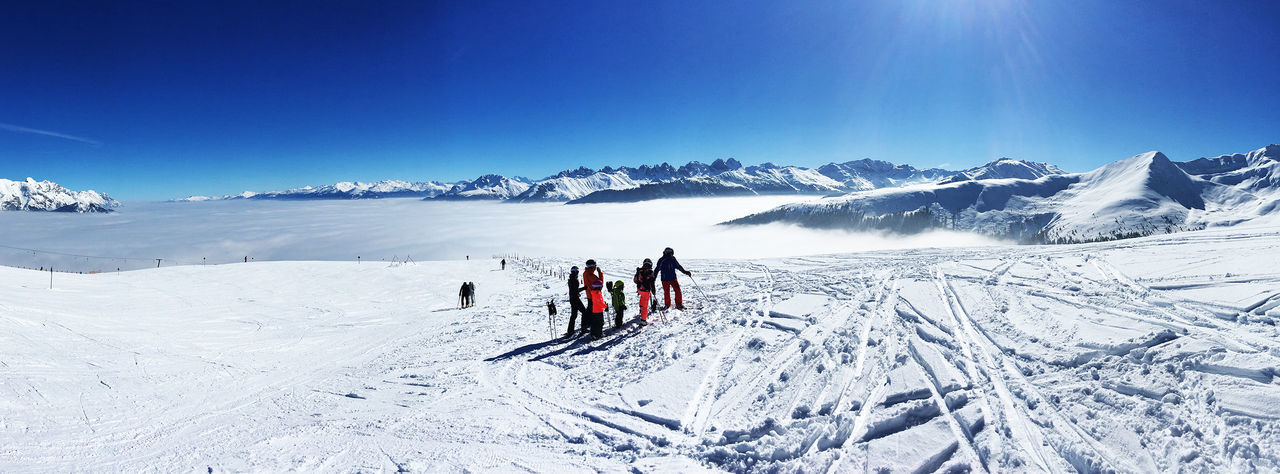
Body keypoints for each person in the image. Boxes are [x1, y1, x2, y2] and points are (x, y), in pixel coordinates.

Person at [565, 266, 587, 338]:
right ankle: (583, 329)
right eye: (577, 272)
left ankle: (570, 331)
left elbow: (573, 290)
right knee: (584, 312)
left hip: (572, 298)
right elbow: (575, 290)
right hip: (575, 299)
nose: (578, 273)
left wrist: (577, 292)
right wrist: (584, 288)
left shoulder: (571, 278)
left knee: (574, 315)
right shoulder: (574, 279)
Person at [633, 258, 656, 325]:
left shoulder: (639, 270)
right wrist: (653, 290)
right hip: (646, 290)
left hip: (640, 289)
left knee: (642, 298)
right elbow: (652, 282)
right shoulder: (650, 272)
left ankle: (641, 308)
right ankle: (643, 320)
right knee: (645, 306)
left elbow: (635, 280)